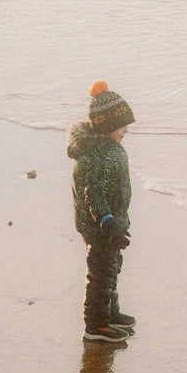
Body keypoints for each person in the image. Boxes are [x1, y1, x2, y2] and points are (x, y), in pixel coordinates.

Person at [68, 80, 137, 342]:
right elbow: (94, 194)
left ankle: (110, 313)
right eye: (122, 126)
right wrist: (108, 224)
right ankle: (96, 325)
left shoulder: (107, 149)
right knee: (102, 272)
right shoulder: (101, 155)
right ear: (107, 126)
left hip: (107, 220)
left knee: (111, 266)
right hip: (100, 224)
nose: (126, 131)